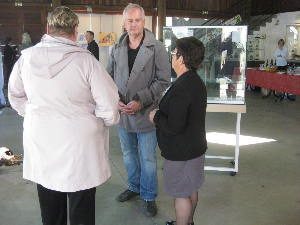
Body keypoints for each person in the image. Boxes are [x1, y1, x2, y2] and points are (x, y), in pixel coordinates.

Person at [8, 6, 119, 225]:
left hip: (42, 143)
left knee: (50, 209)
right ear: (75, 29)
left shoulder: (26, 59)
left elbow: (15, 96)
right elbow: (109, 106)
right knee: (81, 210)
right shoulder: (87, 62)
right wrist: (104, 121)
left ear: (48, 27)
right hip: (80, 148)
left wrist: (33, 114)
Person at [106, 3, 170, 217]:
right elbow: (108, 78)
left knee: (148, 158)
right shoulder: (116, 47)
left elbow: (163, 81)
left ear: (145, 22)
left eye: (138, 20)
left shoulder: (157, 48)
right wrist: (116, 99)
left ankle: (149, 195)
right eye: (130, 20)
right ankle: (134, 187)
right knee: (128, 155)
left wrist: (140, 101)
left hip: (145, 114)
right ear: (124, 23)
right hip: (124, 113)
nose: (134, 24)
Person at [150, 36, 207, 225]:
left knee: (181, 194)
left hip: (181, 151)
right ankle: (189, 222)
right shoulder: (195, 81)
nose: (172, 57)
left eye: (174, 53)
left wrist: (156, 116)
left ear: (182, 59)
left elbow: (174, 126)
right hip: (195, 148)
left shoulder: (183, 87)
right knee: (191, 188)